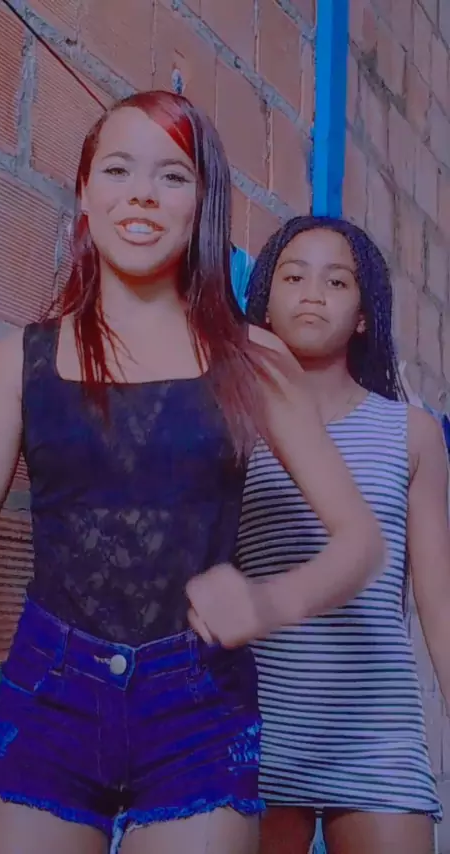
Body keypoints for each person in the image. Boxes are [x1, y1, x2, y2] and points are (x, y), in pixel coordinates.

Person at [0, 98, 382, 854]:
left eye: (172, 175)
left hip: (200, 703)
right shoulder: (18, 362)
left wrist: (267, 602)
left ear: (203, 202)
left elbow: (361, 540)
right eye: (117, 170)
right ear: (85, 192)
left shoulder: (254, 359)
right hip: (49, 697)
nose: (141, 195)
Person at [237, 215, 450, 854]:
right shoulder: (231, 426)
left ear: (362, 315)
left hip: (377, 731)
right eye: (293, 277)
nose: (312, 294)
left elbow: (438, 602)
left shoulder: (410, 435)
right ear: (265, 303)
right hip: (257, 724)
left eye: (336, 281)